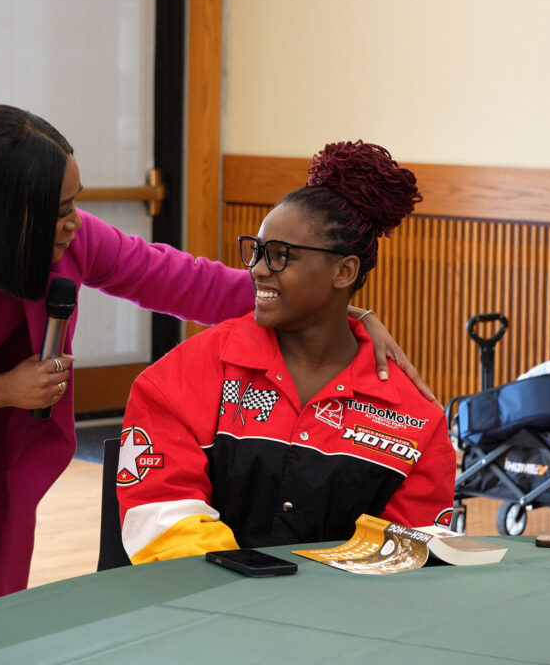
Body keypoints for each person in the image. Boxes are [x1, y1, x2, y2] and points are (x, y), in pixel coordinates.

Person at [0, 107, 425, 665]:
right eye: (58, 210)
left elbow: (184, 282)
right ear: (1, 213)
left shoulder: (63, 235)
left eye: (73, 204)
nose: (73, 224)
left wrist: (340, 312)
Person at [117, 141, 457, 563]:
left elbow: (408, 550)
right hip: (202, 612)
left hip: (340, 621)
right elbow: (163, 515)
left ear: (344, 271)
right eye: (257, 251)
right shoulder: (182, 377)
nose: (258, 268)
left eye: (280, 256)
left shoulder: (415, 419)